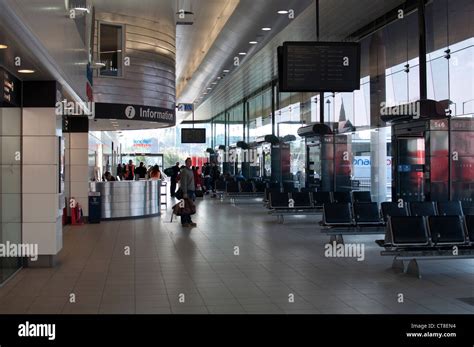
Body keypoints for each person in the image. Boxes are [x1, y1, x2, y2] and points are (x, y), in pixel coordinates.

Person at [179, 158, 196, 228]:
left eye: (191, 162)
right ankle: (184, 221)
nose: (190, 163)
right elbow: (184, 183)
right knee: (184, 207)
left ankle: (189, 220)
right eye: (189, 162)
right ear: (186, 163)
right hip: (186, 191)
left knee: (189, 207)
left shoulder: (191, 170)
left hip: (191, 191)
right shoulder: (184, 171)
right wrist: (185, 192)